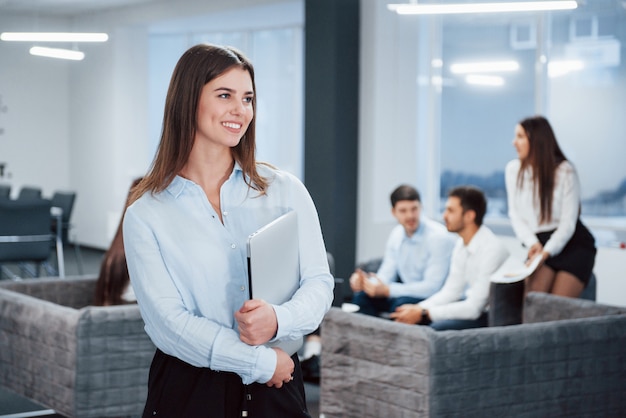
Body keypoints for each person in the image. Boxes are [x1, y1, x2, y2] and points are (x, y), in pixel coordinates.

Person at [122, 44, 334, 418]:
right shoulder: (146, 214)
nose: (241, 110)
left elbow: (318, 282)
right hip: (194, 390)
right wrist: (260, 364)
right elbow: (168, 324)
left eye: (248, 98)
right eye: (225, 95)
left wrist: (278, 320)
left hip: (279, 384)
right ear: (188, 101)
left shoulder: (284, 189)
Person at [391, 185, 509, 330]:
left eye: (451, 211)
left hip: (487, 315)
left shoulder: (492, 249)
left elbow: (473, 308)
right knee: (408, 315)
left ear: (469, 216)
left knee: (434, 327)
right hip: (468, 305)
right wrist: (417, 308)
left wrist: (424, 313)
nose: (444, 216)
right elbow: (451, 291)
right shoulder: (461, 244)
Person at [505, 115, 596, 297]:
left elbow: (568, 223)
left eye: (520, 136)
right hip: (539, 243)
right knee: (533, 301)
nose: (513, 142)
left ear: (536, 140)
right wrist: (533, 244)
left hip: (572, 243)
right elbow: (515, 215)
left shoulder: (564, 170)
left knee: (555, 306)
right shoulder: (513, 170)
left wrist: (545, 253)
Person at [349, 184, 456, 317]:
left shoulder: (439, 237)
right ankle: (365, 337)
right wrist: (367, 284)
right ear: (394, 212)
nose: (410, 215)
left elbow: (432, 287)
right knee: (362, 297)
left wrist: (388, 290)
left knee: (400, 305)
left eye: (414, 209)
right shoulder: (396, 235)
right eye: (403, 211)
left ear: (421, 207)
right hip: (407, 292)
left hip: (433, 297)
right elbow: (386, 275)